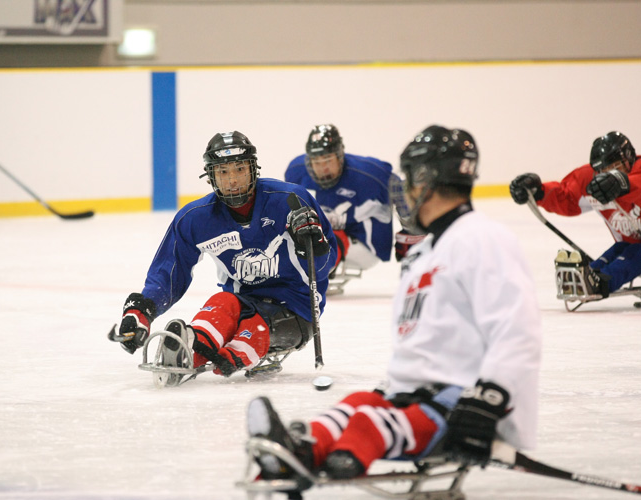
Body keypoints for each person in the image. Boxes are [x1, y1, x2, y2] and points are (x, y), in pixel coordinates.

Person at [245, 125, 542, 489]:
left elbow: (517, 331)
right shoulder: (426, 249)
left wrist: (489, 400)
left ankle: (343, 448)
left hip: (471, 404)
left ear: (427, 179)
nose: (405, 190)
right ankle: (301, 447)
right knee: (354, 405)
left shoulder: (482, 238)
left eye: (411, 180)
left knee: (369, 424)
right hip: (418, 393)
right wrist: (394, 391)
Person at [111, 131, 337, 378]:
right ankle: (189, 347)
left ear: (253, 169)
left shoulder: (291, 200)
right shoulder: (195, 219)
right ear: (211, 177)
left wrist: (313, 245)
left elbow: (326, 266)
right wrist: (142, 312)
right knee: (221, 303)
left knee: (254, 329)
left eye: (239, 169)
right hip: (243, 300)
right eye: (223, 172)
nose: (232, 180)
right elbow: (169, 273)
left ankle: (228, 354)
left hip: (297, 306)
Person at [510, 131, 641, 297]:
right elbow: (568, 197)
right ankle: (591, 276)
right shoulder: (592, 179)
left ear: (629, 158)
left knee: (636, 253)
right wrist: (539, 193)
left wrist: (623, 183)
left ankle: (603, 282)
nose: (608, 174)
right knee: (624, 249)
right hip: (632, 245)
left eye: (615, 168)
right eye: (603, 170)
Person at [285, 125, 394, 286]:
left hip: (364, 246)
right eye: (317, 162)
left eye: (328, 160)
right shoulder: (296, 172)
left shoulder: (370, 175)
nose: (323, 168)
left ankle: (316, 274)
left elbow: (401, 189)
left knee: (329, 237)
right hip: (324, 235)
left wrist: (409, 234)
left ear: (340, 156)